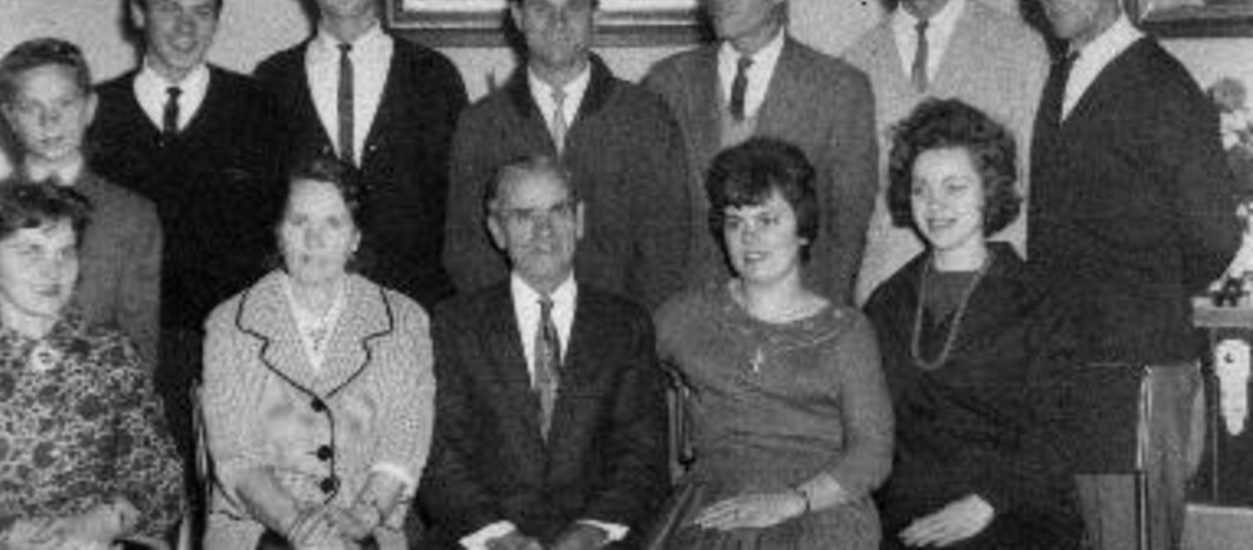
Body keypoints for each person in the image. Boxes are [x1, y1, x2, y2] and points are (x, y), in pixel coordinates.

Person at [1027, 0, 1241, 550]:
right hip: (1075, 373)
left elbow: (1214, 238)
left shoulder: (1159, 85)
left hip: (1139, 374)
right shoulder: (1067, 74)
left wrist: (1137, 293)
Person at [86, 0, 285, 504]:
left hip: (239, 351)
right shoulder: (97, 113)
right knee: (146, 513)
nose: (184, 28)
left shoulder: (259, 108)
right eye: (169, 9)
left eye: (202, 12)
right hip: (131, 354)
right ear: (137, 12)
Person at [647, 137, 892, 550]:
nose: (749, 237)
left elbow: (873, 452)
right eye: (734, 221)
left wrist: (793, 502)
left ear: (802, 228)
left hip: (819, 508)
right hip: (713, 508)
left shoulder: (847, 332)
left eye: (767, 220)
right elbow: (617, 382)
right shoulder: (685, 316)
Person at [864, 99, 1082, 550]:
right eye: (921, 189)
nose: (935, 205)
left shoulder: (1039, 299)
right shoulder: (887, 302)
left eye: (954, 187)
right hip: (908, 515)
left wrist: (987, 502)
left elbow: (1061, 429)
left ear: (990, 189)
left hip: (1013, 511)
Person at [421, 155, 669, 549]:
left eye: (558, 211)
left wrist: (591, 530)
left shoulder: (626, 325)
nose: (545, 230)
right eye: (523, 215)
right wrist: (499, 536)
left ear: (580, 219)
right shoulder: (453, 324)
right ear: (497, 230)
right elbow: (440, 454)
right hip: (481, 540)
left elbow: (643, 457)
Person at [645, 0, 877, 308]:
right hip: (692, 326)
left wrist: (816, 328)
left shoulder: (840, 89)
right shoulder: (667, 83)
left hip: (795, 323)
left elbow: (846, 233)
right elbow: (650, 225)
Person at [445, 0, 691, 312]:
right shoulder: (480, 124)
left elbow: (666, 253)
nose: (558, 22)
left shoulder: (645, 117)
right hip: (513, 341)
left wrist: (628, 338)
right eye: (541, 8)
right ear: (517, 15)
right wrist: (514, 333)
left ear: (596, 14)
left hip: (621, 341)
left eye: (573, 7)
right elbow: (468, 251)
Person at [202, 156, 433, 549]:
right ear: (279, 232)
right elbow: (237, 459)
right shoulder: (229, 325)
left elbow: (404, 441)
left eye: (333, 223)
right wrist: (298, 528)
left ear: (356, 237)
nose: (314, 240)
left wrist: (360, 520)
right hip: (258, 530)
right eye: (299, 222)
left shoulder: (403, 321)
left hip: (366, 528)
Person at [255, 0, 468, 309]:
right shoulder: (271, 82)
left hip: (415, 317)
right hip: (303, 318)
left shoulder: (434, 77)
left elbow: (458, 219)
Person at [844, 0, 1048, 306]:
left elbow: (1038, 194)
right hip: (885, 309)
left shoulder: (1020, 50)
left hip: (991, 305)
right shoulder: (854, 65)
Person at [0, 179, 184, 548]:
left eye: (65, 252)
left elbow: (163, 479)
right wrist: (20, 537)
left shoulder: (110, 353)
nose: (52, 270)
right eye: (31, 252)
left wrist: (104, 521)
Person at [0, 37, 163, 369]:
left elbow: (140, 342)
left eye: (64, 103)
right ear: (10, 117)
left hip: (97, 399)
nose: (48, 120)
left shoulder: (131, 215)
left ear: (90, 108)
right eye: (29, 107)